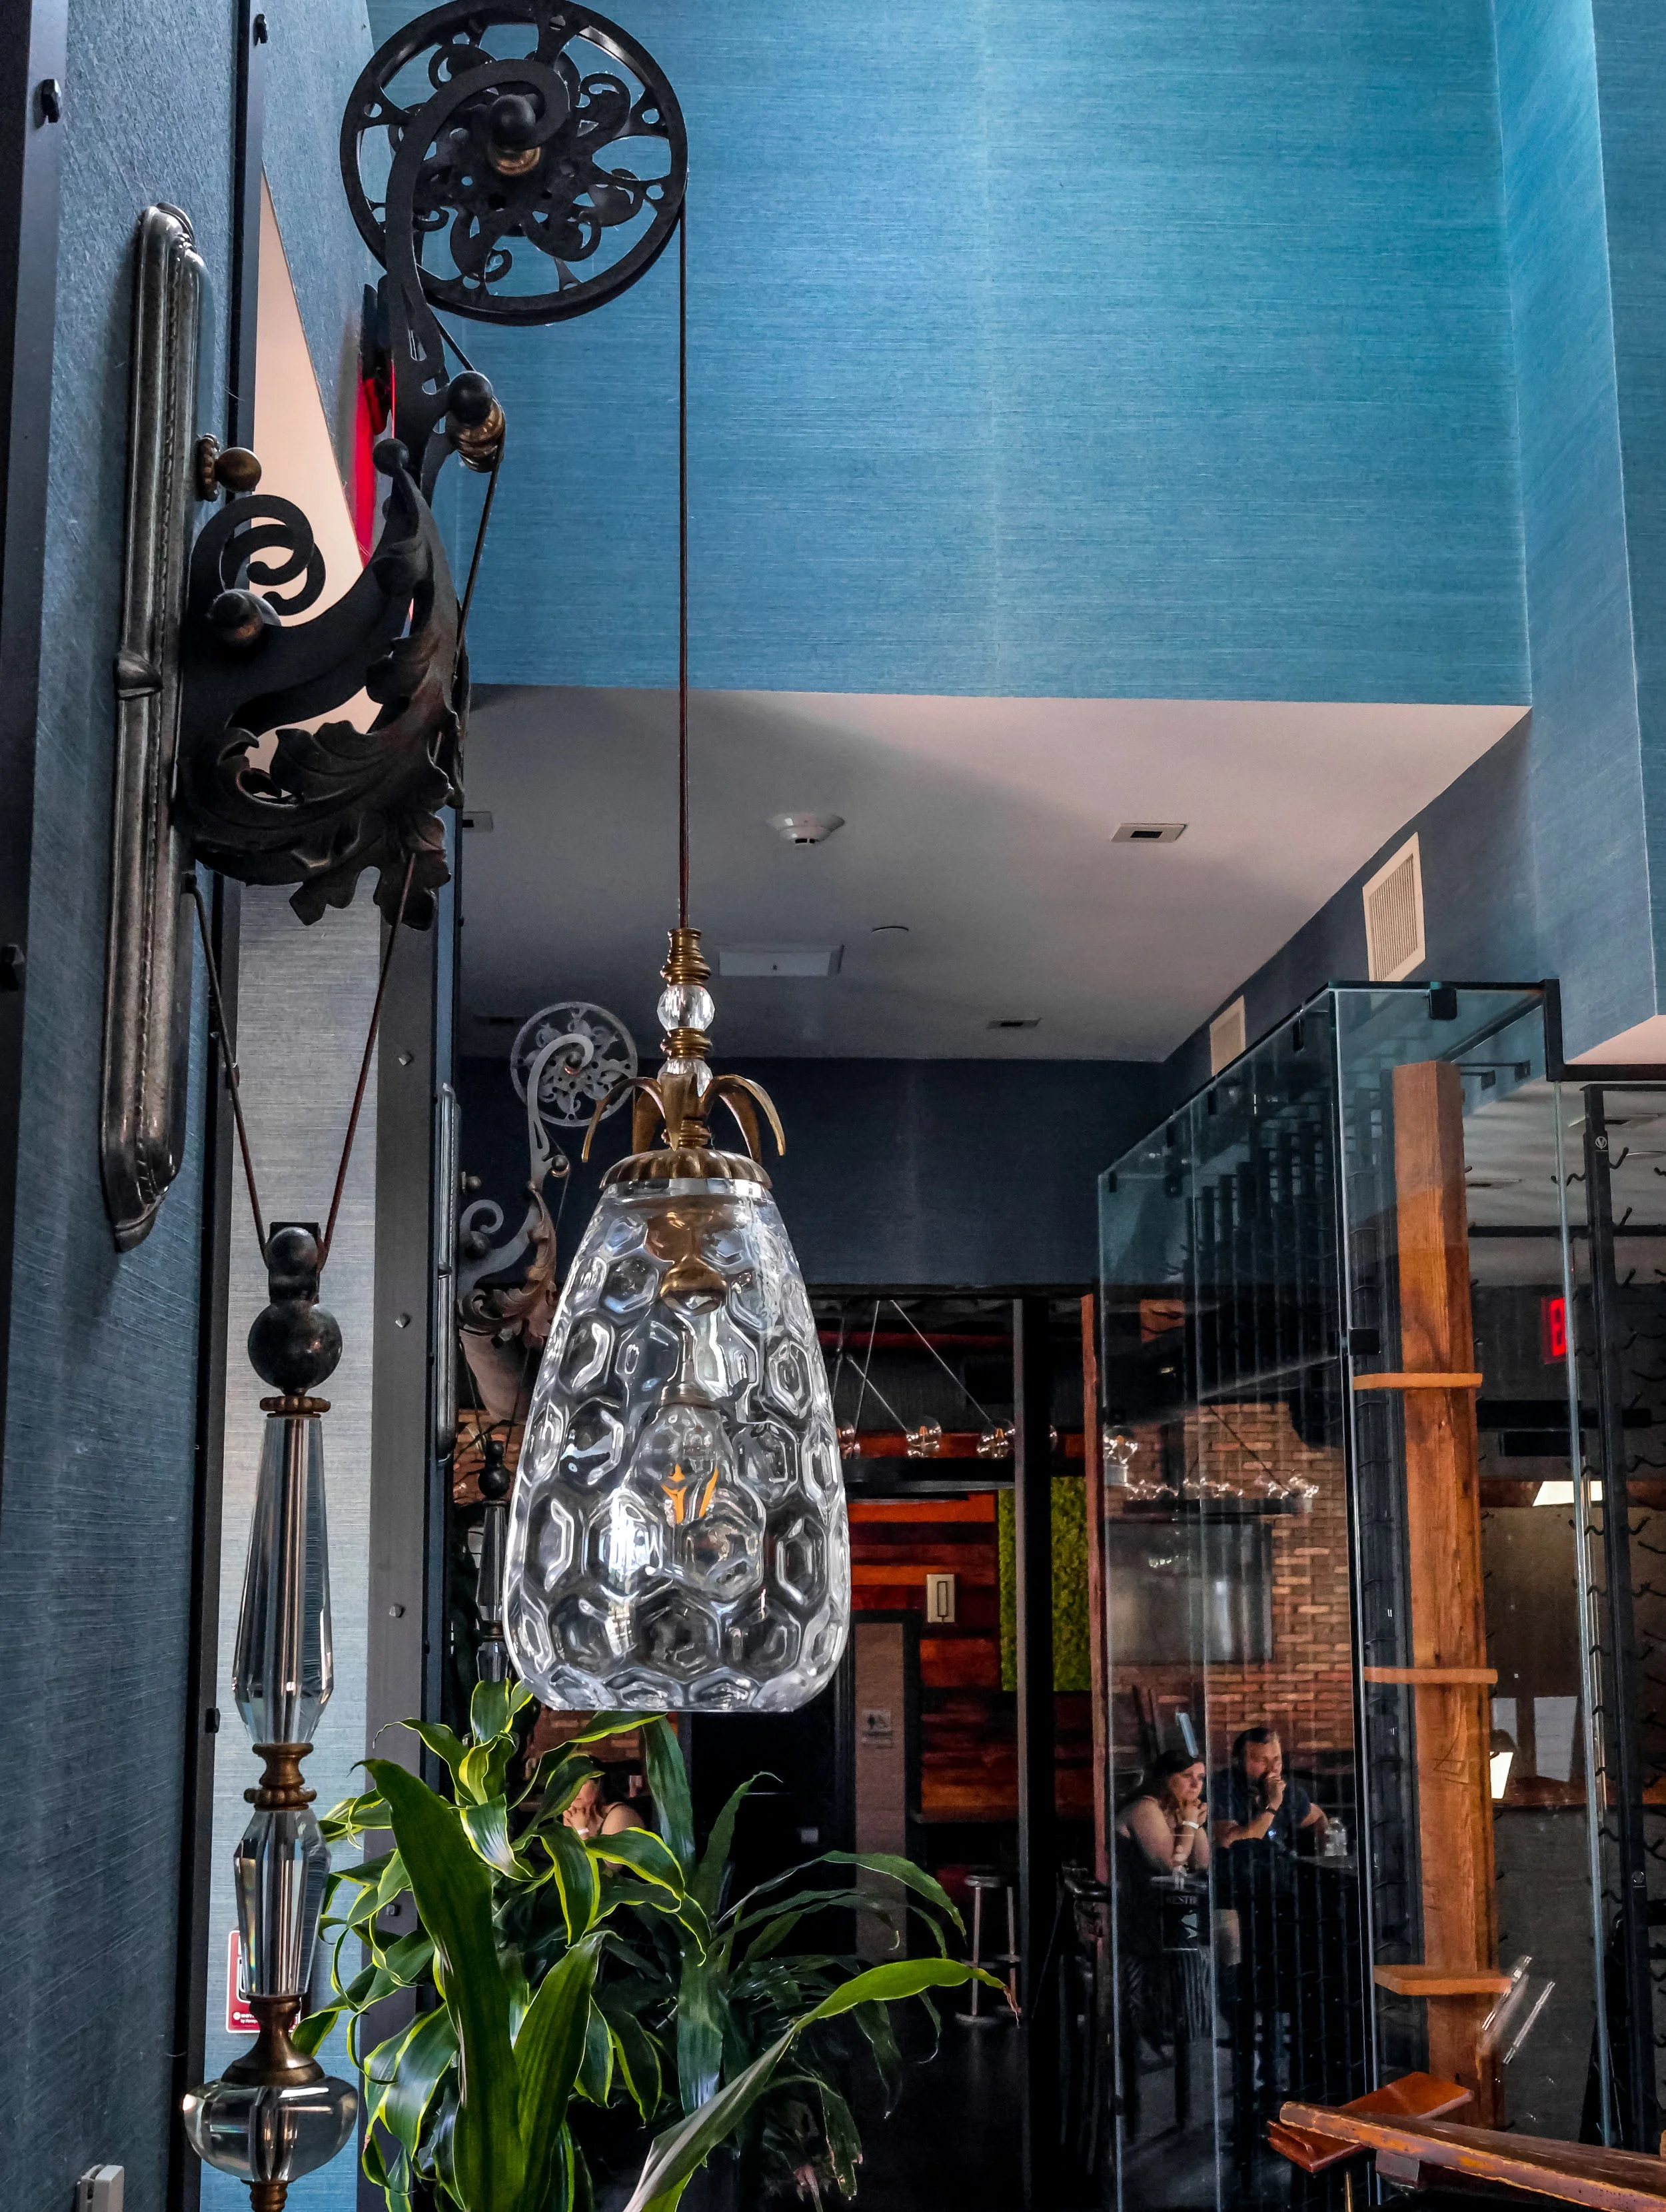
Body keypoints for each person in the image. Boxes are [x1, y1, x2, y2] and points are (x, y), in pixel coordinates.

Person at [1212, 1726, 1327, 1861]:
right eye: (1263, 1761)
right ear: (1238, 1762)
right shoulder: (1222, 1788)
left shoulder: (1288, 1791)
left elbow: (1318, 1816)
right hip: (1239, 1867)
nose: (1273, 1769)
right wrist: (1273, 1805)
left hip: (1278, 1865)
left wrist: (1322, 1859)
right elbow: (1229, 1842)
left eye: (1277, 1759)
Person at [1117, 1749, 1211, 1875]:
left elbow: (1201, 1866)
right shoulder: (1145, 1808)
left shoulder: (1182, 1811)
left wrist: (1197, 1824)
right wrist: (1190, 1824)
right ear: (1166, 1778)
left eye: (1201, 1778)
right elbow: (1172, 1868)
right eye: (1187, 1776)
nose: (1195, 1785)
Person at [560, 1767, 648, 1838]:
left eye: (581, 1782)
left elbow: (605, 1855)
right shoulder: (573, 1816)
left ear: (598, 1784)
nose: (573, 1790)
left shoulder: (619, 1815)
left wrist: (581, 1830)